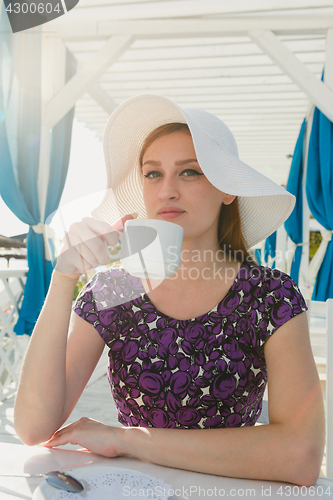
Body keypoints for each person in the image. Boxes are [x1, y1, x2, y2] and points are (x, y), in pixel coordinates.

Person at [14, 94, 325, 487]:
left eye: (190, 172)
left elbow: (301, 457)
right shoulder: (112, 291)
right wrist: (62, 280)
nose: (167, 191)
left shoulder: (269, 295)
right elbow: (33, 426)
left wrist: (129, 440)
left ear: (228, 189)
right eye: (153, 173)